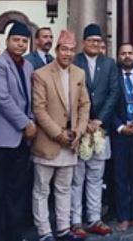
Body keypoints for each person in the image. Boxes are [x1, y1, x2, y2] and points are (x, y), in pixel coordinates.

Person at [31, 29, 90, 241]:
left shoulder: (79, 73)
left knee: (64, 188)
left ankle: (64, 229)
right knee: (42, 190)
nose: (68, 54)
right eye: (64, 49)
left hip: (71, 140)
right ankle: (44, 231)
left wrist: (79, 131)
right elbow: (39, 109)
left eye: (72, 50)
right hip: (48, 141)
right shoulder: (42, 74)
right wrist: (58, 134)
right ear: (57, 50)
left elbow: (85, 105)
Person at [0, 22, 35, 241]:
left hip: (21, 141)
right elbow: (3, 99)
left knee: (16, 193)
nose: (20, 44)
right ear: (7, 41)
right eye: (16, 40)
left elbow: (29, 99)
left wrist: (31, 119)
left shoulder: (28, 66)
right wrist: (26, 124)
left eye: (24, 41)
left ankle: (13, 235)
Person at [70, 23, 118, 237]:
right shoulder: (74, 61)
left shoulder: (109, 64)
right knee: (76, 177)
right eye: (91, 41)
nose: (95, 44)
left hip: (100, 129)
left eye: (99, 41)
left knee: (96, 177)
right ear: (84, 43)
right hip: (79, 129)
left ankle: (94, 218)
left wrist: (98, 120)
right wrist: (84, 121)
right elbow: (71, 93)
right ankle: (75, 220)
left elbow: (113, 93)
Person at [111, 43, 133, 231]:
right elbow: (108, 102)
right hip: (119, 134)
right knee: (120, 176)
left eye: (130, 53)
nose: (127, 56)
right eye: (123, 53)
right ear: (118, 56)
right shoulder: (113, 75)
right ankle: (123, 216)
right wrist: (119, 126)